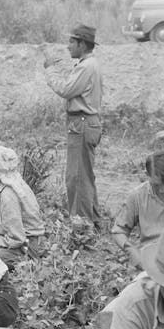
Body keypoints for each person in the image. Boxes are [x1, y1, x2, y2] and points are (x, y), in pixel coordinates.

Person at [44, 23, 104, 224]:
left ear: (82, 44)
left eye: (72, 41)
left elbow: (66, 89)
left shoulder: (87, 66)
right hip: (84, 123)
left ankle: (81, 225)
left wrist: (50, 70)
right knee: (83, 175)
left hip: (82, 123)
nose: (68, 46)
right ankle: (91, 219)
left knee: (76, 178)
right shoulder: (89, 65)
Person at [0, 145, 45, 267]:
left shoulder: (7, 195)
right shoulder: (14, 182)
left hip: (27, 247)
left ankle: (29, 263)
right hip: (31, 241)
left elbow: (16, 238)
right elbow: (8, 224)